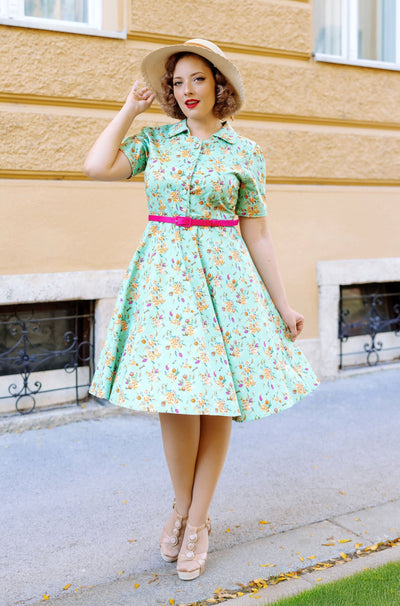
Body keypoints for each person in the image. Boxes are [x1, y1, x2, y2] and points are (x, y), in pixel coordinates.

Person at [84, 39, 319, 581]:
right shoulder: (155, 142)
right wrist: (129, 108)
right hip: (166, 284)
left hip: (226, 284)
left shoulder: (245, 152)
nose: (186, 91)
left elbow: (257, 235)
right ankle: (181, 508)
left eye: (197, 80)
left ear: (219, 87)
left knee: (215, 404)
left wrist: (281, 304)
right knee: (174, 400)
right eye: (177, 82)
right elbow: (98, 167)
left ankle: (197, 520)